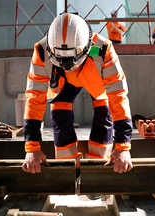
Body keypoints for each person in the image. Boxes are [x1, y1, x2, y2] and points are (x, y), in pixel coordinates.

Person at [22, 13, 133, 175]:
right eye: (62, 62)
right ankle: (66, 171)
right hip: (61, 82)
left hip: (95, 80)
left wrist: (123, 146)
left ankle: (97, 169)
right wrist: (32, 148)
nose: (69, 67)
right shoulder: (41, 51)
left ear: (87, 48)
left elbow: (118, 95)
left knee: (104, 110)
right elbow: (34, 99)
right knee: (59, 113)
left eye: (72, 62)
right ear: (51, 50)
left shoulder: (103, 50)